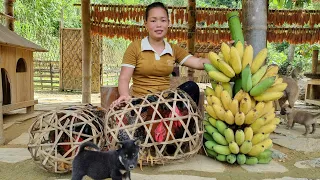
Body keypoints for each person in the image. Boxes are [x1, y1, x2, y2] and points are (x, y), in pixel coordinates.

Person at [111, 2, 211, 107]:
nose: (158, 25)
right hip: (142, 103)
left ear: (168, 22)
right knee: (150, 101)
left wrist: (222, 61)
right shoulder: (135, 47)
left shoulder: (173, 49)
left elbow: (199, 62)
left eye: (163, 20)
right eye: (153, 20)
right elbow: (124, 78)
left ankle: (178, 120)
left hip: (164, 102)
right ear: (146, 24)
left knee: (191, 87)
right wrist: (125, 95)